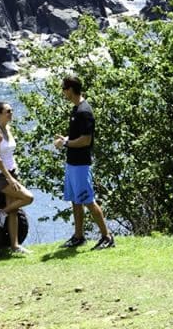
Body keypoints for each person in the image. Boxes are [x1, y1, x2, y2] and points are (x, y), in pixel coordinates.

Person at [54, 75, 114, 250]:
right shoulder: (76, 109)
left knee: (88, 200)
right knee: (75, 200)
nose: (63, 92)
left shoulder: (84, 112)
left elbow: (86, 140)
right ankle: (78, 236)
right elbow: (77, 137)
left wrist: (65, 143)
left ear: (70, 89)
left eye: (64, 89)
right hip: (72, 163)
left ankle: (107, 236)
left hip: (80, 165)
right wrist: (66, 139)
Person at [0, 100, 34, 255]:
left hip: (12, 172)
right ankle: (0, 213)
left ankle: (15, 246)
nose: (11, 113)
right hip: (0, 175)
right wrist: (9, 178)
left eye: (11, 110)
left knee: (14, 210)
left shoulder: (8, 128)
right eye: (8, 111)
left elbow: (9, 154)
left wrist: (14, 172)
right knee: (28, 197)